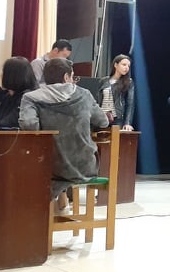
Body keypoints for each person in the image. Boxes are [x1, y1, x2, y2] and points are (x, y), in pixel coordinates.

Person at [18, 57, 108, 200]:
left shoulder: (31, 98)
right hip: (84, 167)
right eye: (73, 76)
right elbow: (103, 122)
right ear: (66, 77)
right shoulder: (84, 94)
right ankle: (62, 203)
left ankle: (54, 204)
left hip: (50, 167)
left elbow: (29, 125)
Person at [0, 56, 37, 129]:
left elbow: (8, 124)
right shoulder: (8, 96)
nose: (1, 75)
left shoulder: (26, 98)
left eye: (4, 72)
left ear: (12, 75)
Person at [97, 54, 135, 131]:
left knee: (116, 137)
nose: (126, 68)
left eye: (128, 66)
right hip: (102, 116)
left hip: (117, 118)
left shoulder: (129, 82)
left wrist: (127, 122)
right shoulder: (103, 81)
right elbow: (97, 99)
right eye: (124, 64)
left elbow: (130, 103)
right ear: (116, 65)